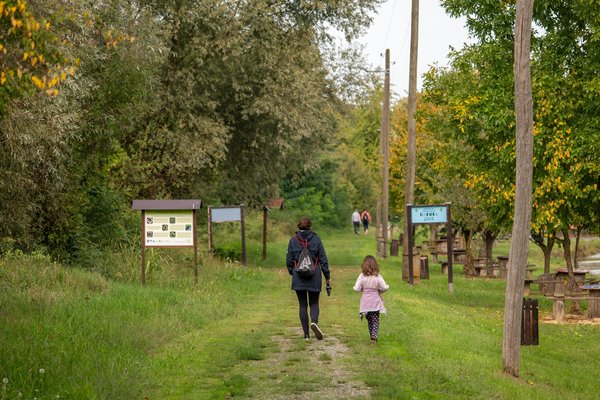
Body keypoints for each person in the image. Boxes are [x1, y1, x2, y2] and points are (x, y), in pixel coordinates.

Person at [286, 217, 331, 340]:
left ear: (298, 226)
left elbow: (289, 260)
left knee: (302, 305)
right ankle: (314, 322)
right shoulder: (316, 239)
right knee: (314, 303)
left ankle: (306, 334)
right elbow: (323, 259)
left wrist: (293, 272)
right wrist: (327, 276)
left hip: (298, 276)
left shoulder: (293, 240)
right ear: (310, 227)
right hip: (314, 275)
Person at [353, 255, 389, 343]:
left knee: (369, 319)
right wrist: (379, 291)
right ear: (375, 265)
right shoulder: (378, 277)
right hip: (375, 301)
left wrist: (363, 289)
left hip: (365, 302)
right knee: (375, 319)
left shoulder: (362, 276)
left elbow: (357, 288)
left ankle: (372, 336)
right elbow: (385, 287)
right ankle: (374, 335)